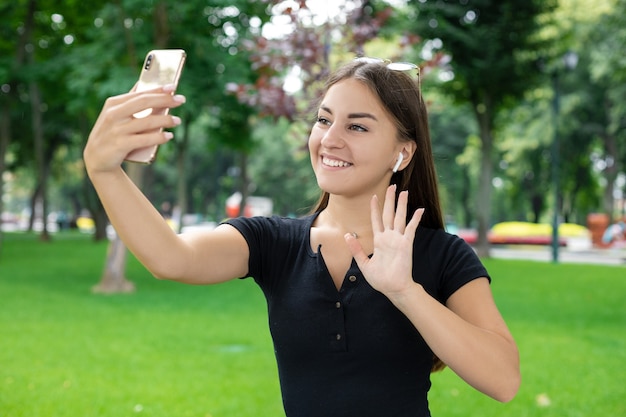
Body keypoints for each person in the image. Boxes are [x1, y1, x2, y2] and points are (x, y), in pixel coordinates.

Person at [84, 58, 520, 417]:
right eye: (324, 120)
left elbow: (503, 380)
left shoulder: (442, 254)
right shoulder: (273, 243)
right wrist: (104, 170)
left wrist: (406, 291)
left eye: (357, 127)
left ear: (402, 152)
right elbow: (172, 258)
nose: (329, 139)